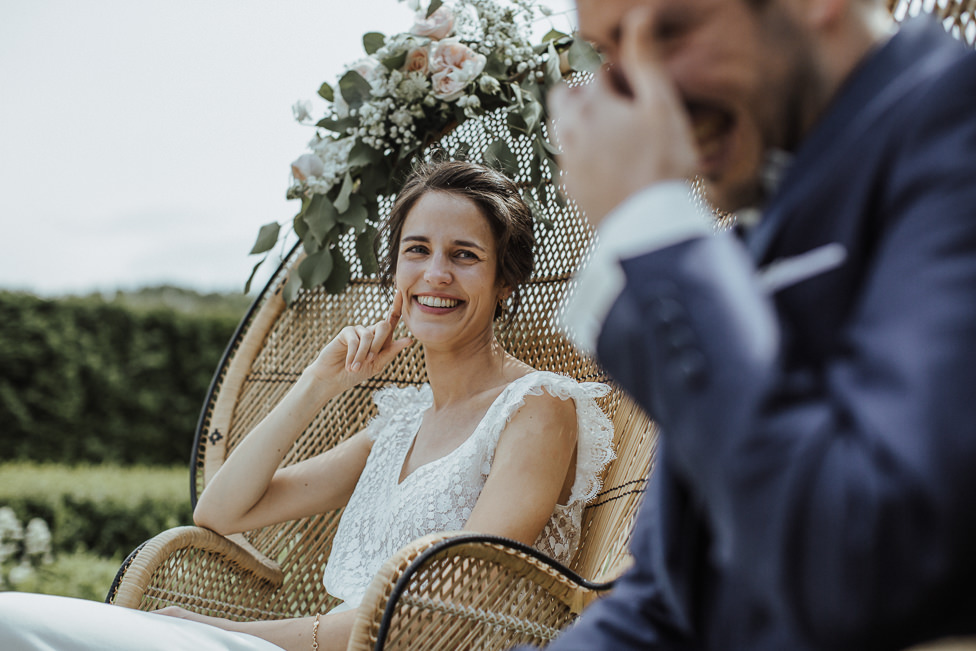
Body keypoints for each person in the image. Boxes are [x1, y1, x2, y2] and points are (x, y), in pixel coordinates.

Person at [511, 0, 976, 649]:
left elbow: (876, 564)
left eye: (667, 32)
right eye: (610, 59)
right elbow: (671, 598)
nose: (647, 105)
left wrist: (648, 231)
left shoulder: (957, 126)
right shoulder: (762, 226)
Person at [0, 160, 614, 651]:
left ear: (504, 282)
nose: (435, 274)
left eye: (464, 255)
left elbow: (452, 603)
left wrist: (227, 632)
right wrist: (317, 384)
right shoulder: (399, 425)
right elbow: (221, 510)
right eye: (417, 250)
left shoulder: (536, 408)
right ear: (393, 271)